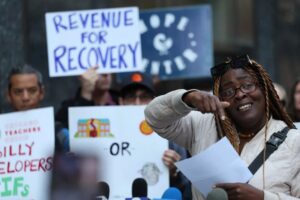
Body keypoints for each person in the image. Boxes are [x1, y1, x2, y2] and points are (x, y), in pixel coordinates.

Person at [145, 55, 300, 200]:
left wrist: (262, 197)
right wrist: (188, 98)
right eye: (229, 91)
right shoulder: (202, 125)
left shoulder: (294, 142)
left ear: (265, 90)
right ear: (219, 98)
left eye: (247, 85)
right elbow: (154, 117)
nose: (240, 95)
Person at [119, 72, 191, 199]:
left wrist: (175, 172)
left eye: (144, 97)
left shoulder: (171, 134)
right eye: (131, 97)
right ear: (121, 101)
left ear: (154, 101)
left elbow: (186, 189)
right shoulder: (107, 137)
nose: (137, 103)